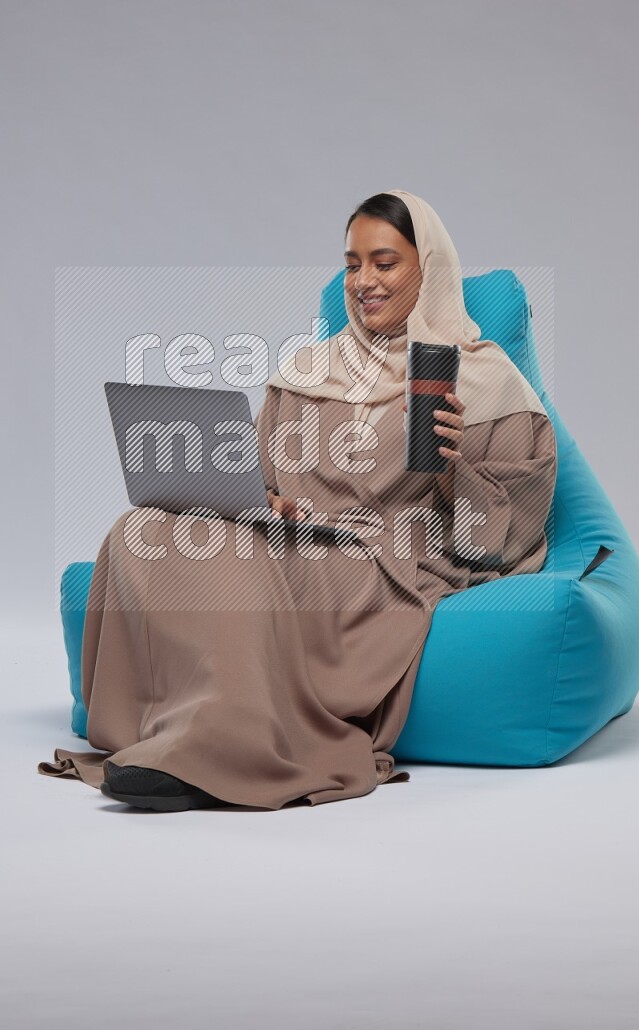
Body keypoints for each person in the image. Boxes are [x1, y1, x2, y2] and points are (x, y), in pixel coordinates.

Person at [38, 189, 557, 811]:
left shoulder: (485, 380)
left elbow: (507, 538)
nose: (364, 281)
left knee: (236, 562)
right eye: (353, 264)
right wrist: (266, 502)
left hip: (384, 560)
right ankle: (167, 729)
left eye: (385, 263)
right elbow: (256, 479)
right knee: (140, 530)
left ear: (430, 269)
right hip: (292, 538)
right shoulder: (307, 371)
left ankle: (220, 749)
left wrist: (452, 469)